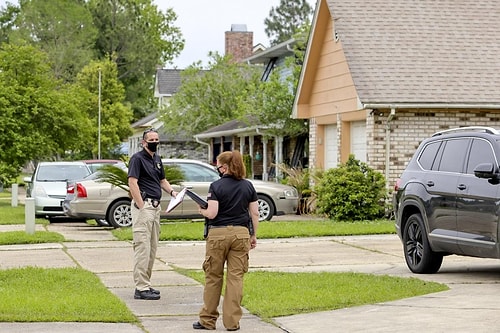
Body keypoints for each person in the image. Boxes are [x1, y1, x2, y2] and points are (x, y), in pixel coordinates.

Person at [192, 150, 259, 331]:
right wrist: (253, 235)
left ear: (225, 167)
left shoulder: (216, 186)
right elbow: (254, 213)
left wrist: (202, 210)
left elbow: (212, 213)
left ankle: (207, 320)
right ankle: (232, 323)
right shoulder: (248, 186)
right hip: (241, 234)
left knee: (213, 277)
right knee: (235, 278)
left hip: (218, 235)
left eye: (219, 166)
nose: (218, 169)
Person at [128, 128, 177, 300]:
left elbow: (162, 180)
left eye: (157, 139)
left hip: (156, 208)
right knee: (142, 247)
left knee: (152, 248)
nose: (155, 142)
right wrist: (141, 206)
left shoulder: (157, 159)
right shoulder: (137, 159)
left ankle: (146, 284)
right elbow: (132, 182)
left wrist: (172, 192)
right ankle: (140, 287)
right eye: (151, 140)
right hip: (145, 206)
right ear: (143, 142)